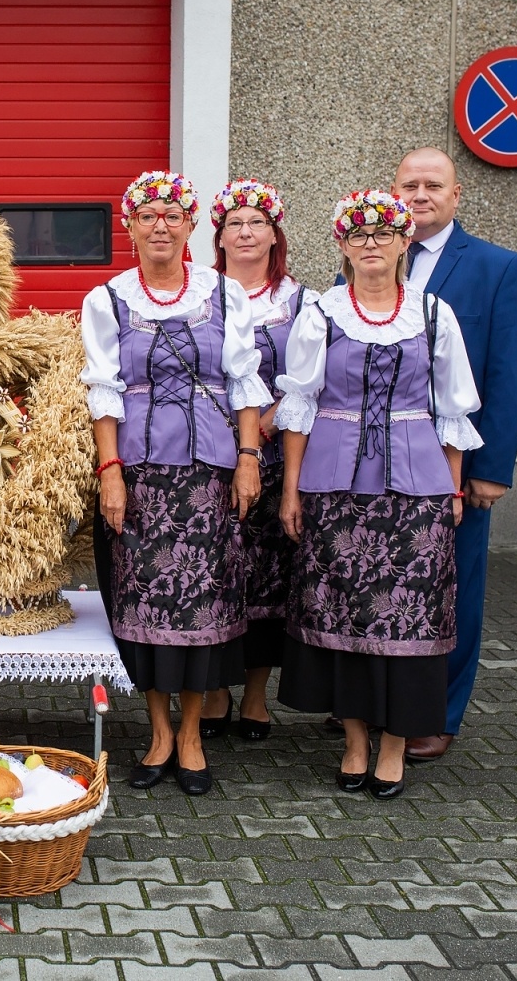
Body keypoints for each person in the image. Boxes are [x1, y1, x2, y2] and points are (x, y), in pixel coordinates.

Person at [275, 190, 482, 799]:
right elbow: (301, 406)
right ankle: (356, 742)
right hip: (335, 486)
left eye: (384, 234)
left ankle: (394, 747)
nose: (371, 244)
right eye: (359, 235)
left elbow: (452, 409)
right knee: (345, 610)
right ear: (342, 245)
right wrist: (291, 489)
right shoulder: (322, 313)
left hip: (416, 487)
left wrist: (453, 488)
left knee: (409, 613)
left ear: (403, 244)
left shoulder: (435, 314)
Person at [82, 170, 270, 796]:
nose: (159, 225)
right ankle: (157, 731)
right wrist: (110, 473)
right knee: (142, 607)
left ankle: (191, 735)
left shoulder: (224, 295)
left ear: (192, 227)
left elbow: (244, 381)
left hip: (209, 472)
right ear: (130, 228)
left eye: (172, 214)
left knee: (204, 604)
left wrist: (248, 457)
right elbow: (103, 394)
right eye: (147, 215)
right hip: (138, 474)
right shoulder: (106, 299)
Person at [393, 148, 517, 761]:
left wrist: (493, 469)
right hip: (379, 464)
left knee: (454, 586)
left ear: (457, 197)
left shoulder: (499, 268)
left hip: (456, 460)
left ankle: (438, 714)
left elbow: (512, 373)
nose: (420, 195)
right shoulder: (368, 262)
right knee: (384, 581)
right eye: (409, 185)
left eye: (433, 185)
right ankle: (385, 704)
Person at [201, 180, 306, 741]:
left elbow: (315, 377)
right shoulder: (202, 295)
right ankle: (214, 692)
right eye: (234, 223)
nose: (245, 232)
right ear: (219, 235)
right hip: (212, 451)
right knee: (217, 572)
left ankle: (257, 696)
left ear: (273, 233)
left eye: (256, 223)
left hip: (276, 454)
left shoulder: (300, 301)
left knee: (268, 575)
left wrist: (274, 412)